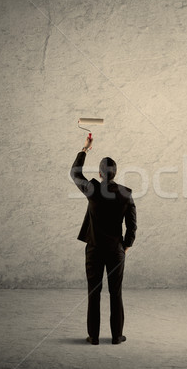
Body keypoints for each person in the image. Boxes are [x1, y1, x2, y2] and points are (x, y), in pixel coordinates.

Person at [70, 135, 137, 345]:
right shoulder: (126, 194)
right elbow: (132, 225)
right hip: (116, 249)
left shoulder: (93, 189)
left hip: (94, 249)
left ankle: (94, 337)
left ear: (99, 174)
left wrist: (85, 149)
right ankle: (117, 336)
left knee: (94, 293)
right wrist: (126, 245)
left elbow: (75, 173)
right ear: (115, 174)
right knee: (116, 293)